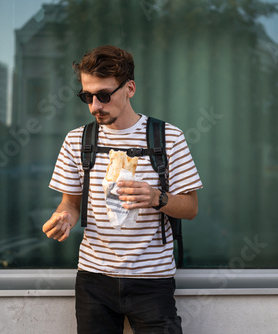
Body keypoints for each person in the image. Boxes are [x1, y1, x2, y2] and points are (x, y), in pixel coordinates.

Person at [42, 45, 203, 333]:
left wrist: (157, 198)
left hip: (153, 280)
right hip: (94, 278)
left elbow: (190, 209)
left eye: (104, 95)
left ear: (129, 88)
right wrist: (64, 217)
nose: (95, 106)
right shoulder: (77, 141)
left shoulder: (169, 138)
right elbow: (70, 203)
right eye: (87, 96)